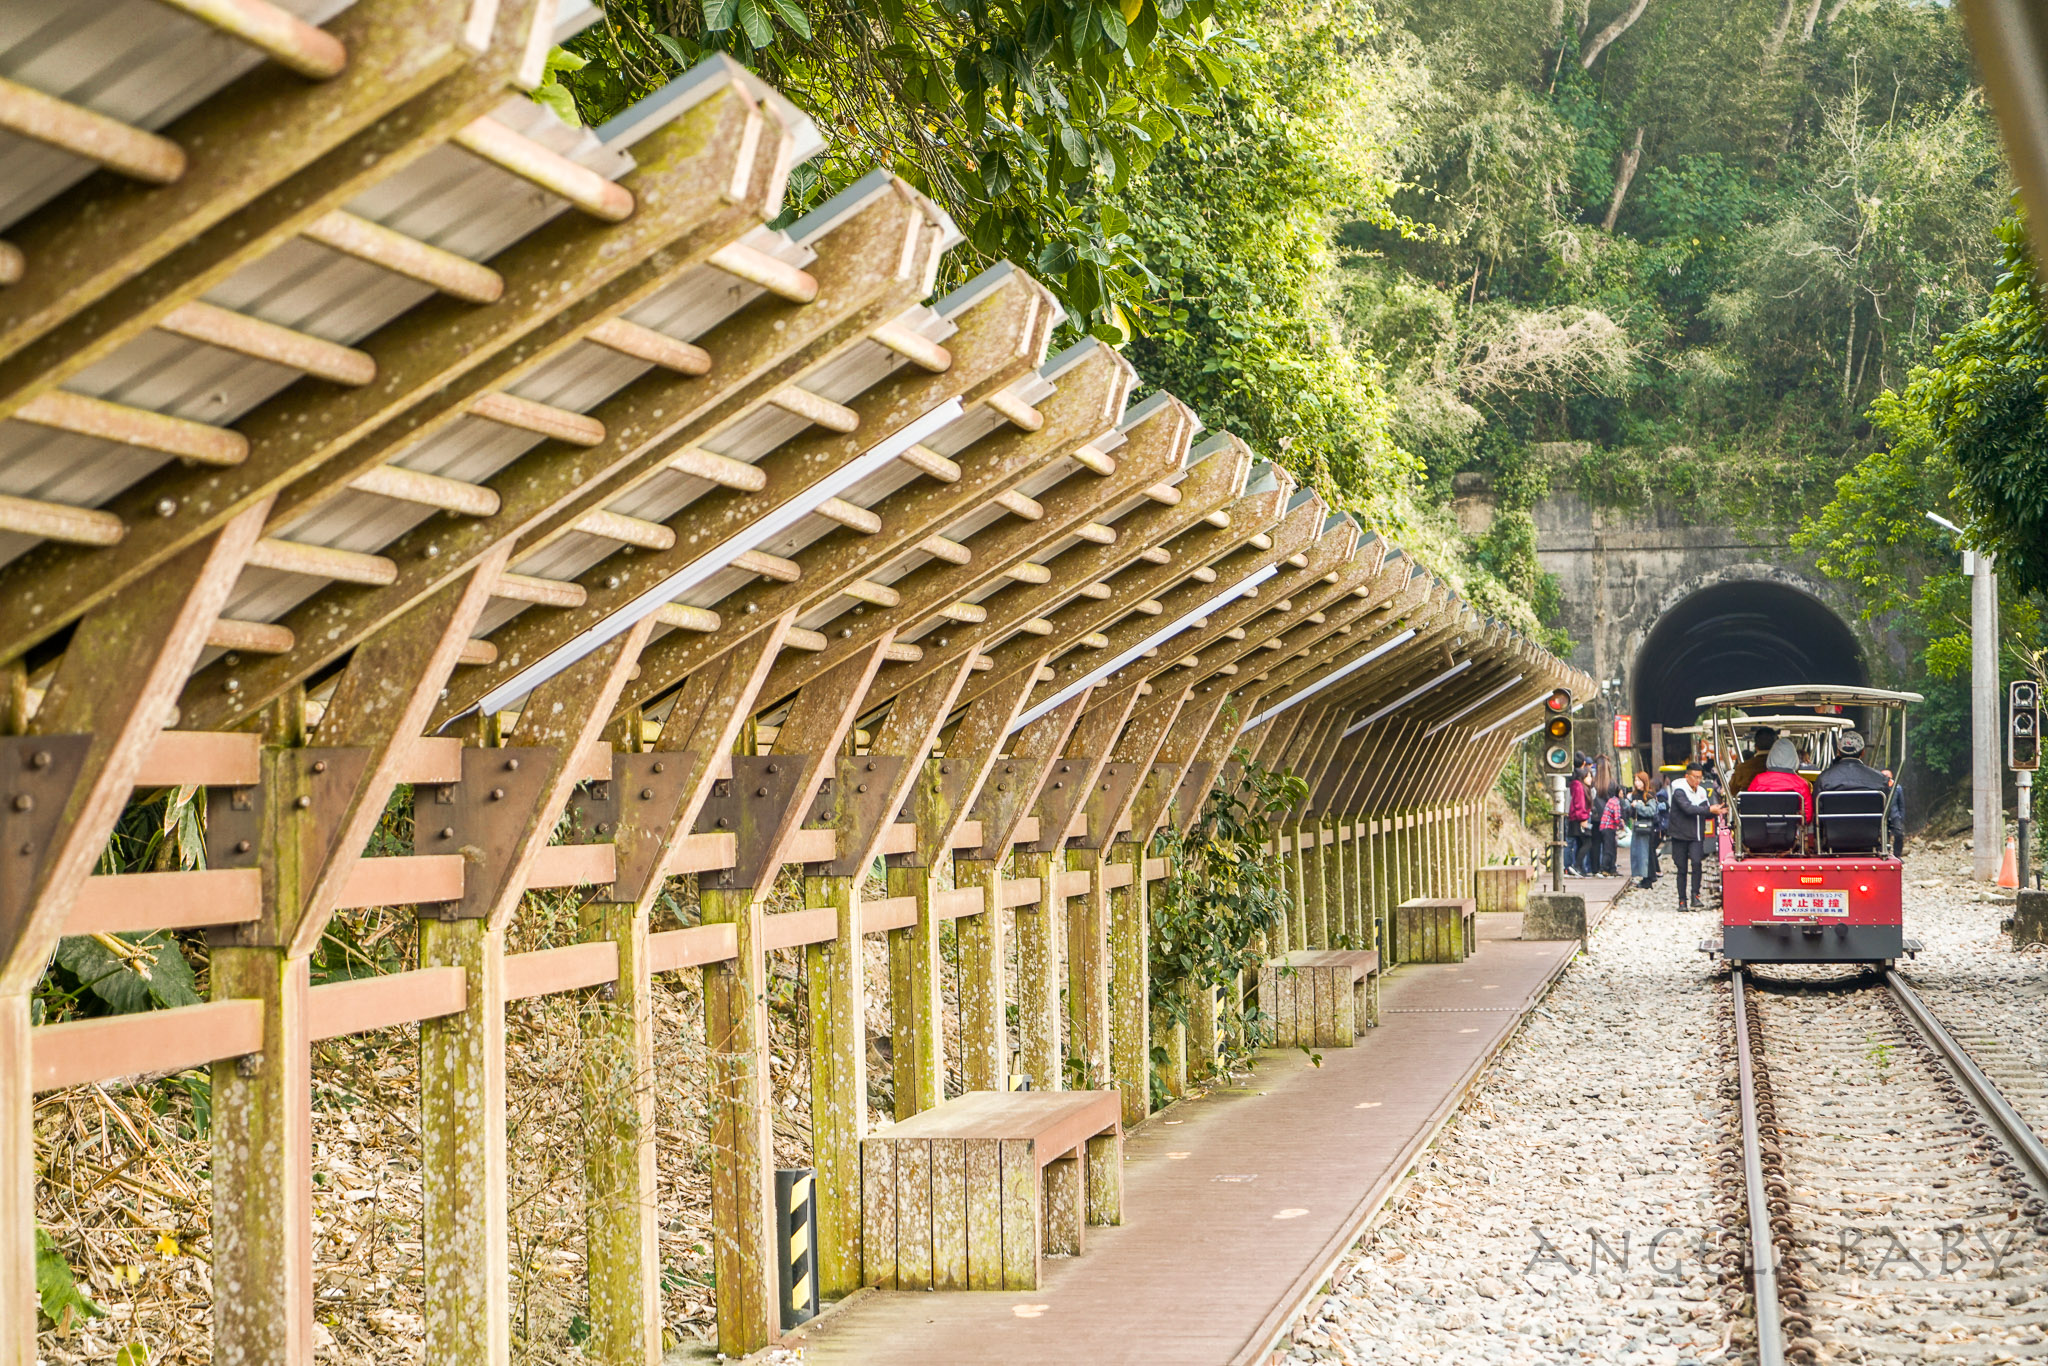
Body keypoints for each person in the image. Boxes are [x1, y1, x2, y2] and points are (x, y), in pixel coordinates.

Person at [1668, 760, 1724, 911]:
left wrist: (1716, 811)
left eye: (1700, 777)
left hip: (1696, 834)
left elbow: (1705, 811)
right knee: (1681, 868)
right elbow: (1688, 809)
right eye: (1695, 777)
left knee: (1697, 863)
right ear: (1687, 776)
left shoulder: (1702, 791)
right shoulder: (1679, 790)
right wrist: (1709, 810)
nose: (1698, 781)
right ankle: (1682, 900)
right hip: (1680, 834)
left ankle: (1695, 895)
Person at [1747, 736, 1814, 823]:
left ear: (1771, 756)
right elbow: (1807, 817)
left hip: (1761, 829)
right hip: (1790, 831)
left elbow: (1748, 807)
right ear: (1794, 758)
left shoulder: (1758, 780)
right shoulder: (1801, 784)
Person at [1726, 727, 1779, 796]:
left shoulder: (1742, 769)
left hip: (1749, 806)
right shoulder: (1785, 770)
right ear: (1776, 746)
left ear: (1756, 747)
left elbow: (1732, 791)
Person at [1626, 771, 1658, 886]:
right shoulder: (1633, 795)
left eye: (1639, 780)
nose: (1636, 783)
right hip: (1637, 827)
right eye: (1635, 780)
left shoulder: (1649, 795)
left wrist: (1638, 806)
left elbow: (1651, 811)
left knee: (1646, 853)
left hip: (1647, 828)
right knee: (1638, 853)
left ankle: (1648, 878)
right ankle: (1644, 876)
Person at [1567, 761, 1592, 875]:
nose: (1591, 778)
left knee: (1580, 843)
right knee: (1587, 842)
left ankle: (1579, 868)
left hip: (1575, 818)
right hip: (1579, 819)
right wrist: (1583, 818)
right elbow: (1580, 804)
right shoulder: (1579, 787)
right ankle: (1576, 866)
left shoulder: (1576, 785)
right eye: (1589, 776)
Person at [1597, 784, 1623, 876]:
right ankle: (1604, 868)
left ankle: (1612, 869)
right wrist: (1621, 825)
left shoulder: (1611, 800)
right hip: (1609, 828)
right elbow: (1617, 818)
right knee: (1609, 849)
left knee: (1611, 848)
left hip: (1606, 827)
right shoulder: (1615, 802)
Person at [1882, 768, 1906, 857]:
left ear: (1891, 776)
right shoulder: (1879, 787)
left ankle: (1897, 855)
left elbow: (1901, 804)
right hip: (1882, 815)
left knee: (1899, 835)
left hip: (1895, 815)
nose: (1886, 777)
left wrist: (1901, 817)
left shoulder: (1897, 788)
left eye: (1887, 776)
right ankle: (1885, 854)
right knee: (1883, 836)